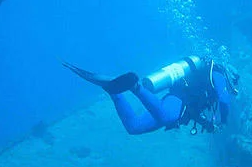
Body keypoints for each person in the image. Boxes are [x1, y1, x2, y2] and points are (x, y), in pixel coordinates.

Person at [63, 56, 239, 135]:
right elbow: (224, 100)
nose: (232, 87)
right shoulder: (219, 74)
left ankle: (113, 90)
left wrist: (207, 124)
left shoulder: (209, 79)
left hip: (180, 103)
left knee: (134, 127)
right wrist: (224, 121)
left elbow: (194, 109)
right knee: (167, 118)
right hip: (178, 98)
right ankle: (135, 87)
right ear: (231, 75)